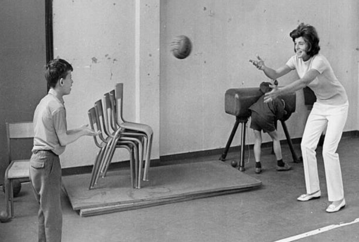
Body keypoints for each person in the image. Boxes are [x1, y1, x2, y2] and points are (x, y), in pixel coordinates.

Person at [250, 23, 348, 213]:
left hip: (338, 106)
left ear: (310, 44)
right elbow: (276, 73)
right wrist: (263, 67)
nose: (297, 47)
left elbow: (304, 82)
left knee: (328, 150)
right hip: (321, 105)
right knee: (306, 146)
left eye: (301, 43)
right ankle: (313, 190)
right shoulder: (296, 59)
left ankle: (338, 199)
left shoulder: (319, 61)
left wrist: (280, 92)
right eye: (295, 44)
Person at [30, 58, 99, 241]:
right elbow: (64, 139)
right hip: (48, 163)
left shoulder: (45, 101)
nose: (72, 82)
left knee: (45, 213)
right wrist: (82, 134)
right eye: (70, 78)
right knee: (53, 217)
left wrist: (82, 130)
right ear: (61, 81)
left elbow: (57, 134)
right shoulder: (57, 107)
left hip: (37, 163)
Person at [249, 82, 291, 174]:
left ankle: (257, 165)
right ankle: (280, 164)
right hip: (265, 116)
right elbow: (280, 115)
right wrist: (283, 112)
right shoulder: (276, 98)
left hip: (254, 114)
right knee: (275, 138)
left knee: (257, 140)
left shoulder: (261, 97)